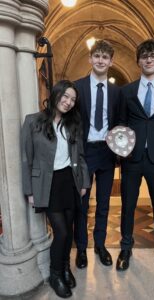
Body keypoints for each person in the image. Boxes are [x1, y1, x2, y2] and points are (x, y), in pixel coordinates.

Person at [21, 80, 90, 298]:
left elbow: (79, 156)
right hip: (46, 184)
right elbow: (25, 159)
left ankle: (66, 267)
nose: (69, 102)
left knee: (68, 229)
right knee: (60, 231)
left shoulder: (72, 124)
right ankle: (55, 274)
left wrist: (84, 183)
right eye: (66, 96)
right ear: (56, 94)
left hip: (69, 180)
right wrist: (29, 190)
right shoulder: (33, 121)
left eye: (73, 99)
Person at [116, 39, 154, 271]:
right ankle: (125, 248)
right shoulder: (127, 90)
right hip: (132, 158)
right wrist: (121, 151)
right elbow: (121, 122)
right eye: (144, 56)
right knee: (128, 205)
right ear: (138, 61)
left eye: (153, 55)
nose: (149, 59)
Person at [74, 40, 120, 268]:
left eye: (105, 57)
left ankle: (100, 245)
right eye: (97, 56)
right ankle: (81, 249)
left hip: (107, 152)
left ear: (111, 61)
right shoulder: (77, 87)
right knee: (82, 203)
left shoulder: (116, 91)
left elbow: (120, 122)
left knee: (103, 203)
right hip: (84, 152)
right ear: (90, 59)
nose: (101, 60)